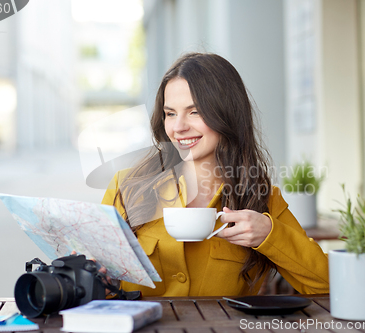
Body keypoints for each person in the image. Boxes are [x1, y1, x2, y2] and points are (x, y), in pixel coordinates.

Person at [102, 52, 329, 297]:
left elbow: (326, 284)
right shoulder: (128, 187)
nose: (178, 127)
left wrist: (270, 235)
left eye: (195, 112)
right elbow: (98, 288)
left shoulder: (261, 199)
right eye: (170, 113)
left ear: (226, 114)